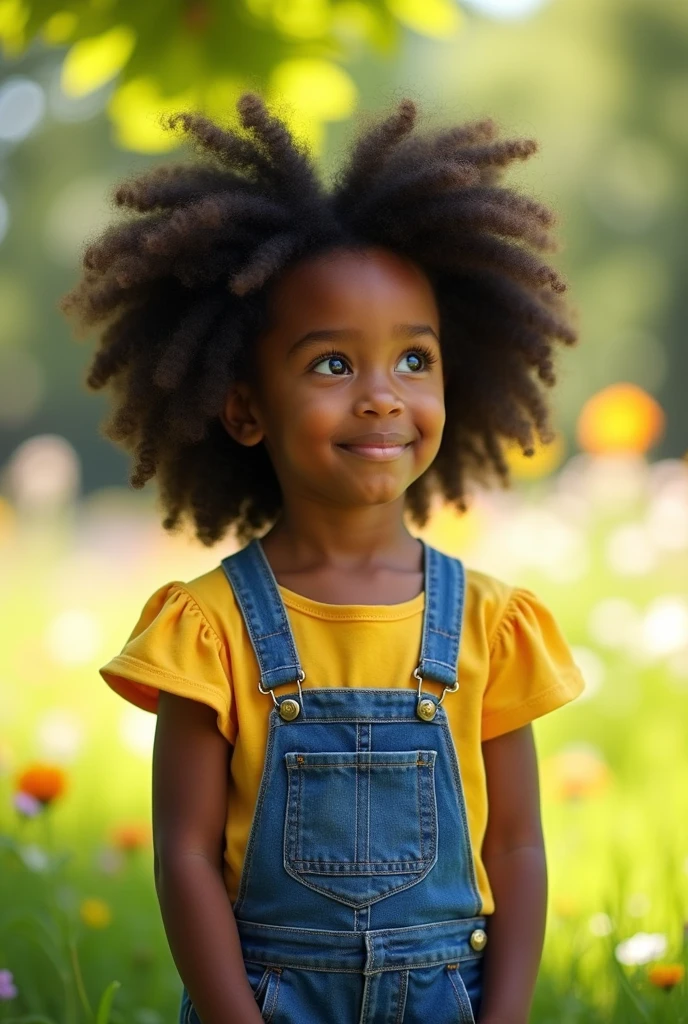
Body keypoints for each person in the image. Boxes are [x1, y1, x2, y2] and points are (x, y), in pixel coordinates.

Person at [60, 93, 585, 1024]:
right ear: (245, 408)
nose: (383, 398)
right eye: (333, 365)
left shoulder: (491, 624)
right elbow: (183, 853)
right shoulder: (207, 629)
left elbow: (516, 846)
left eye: (414, 361)